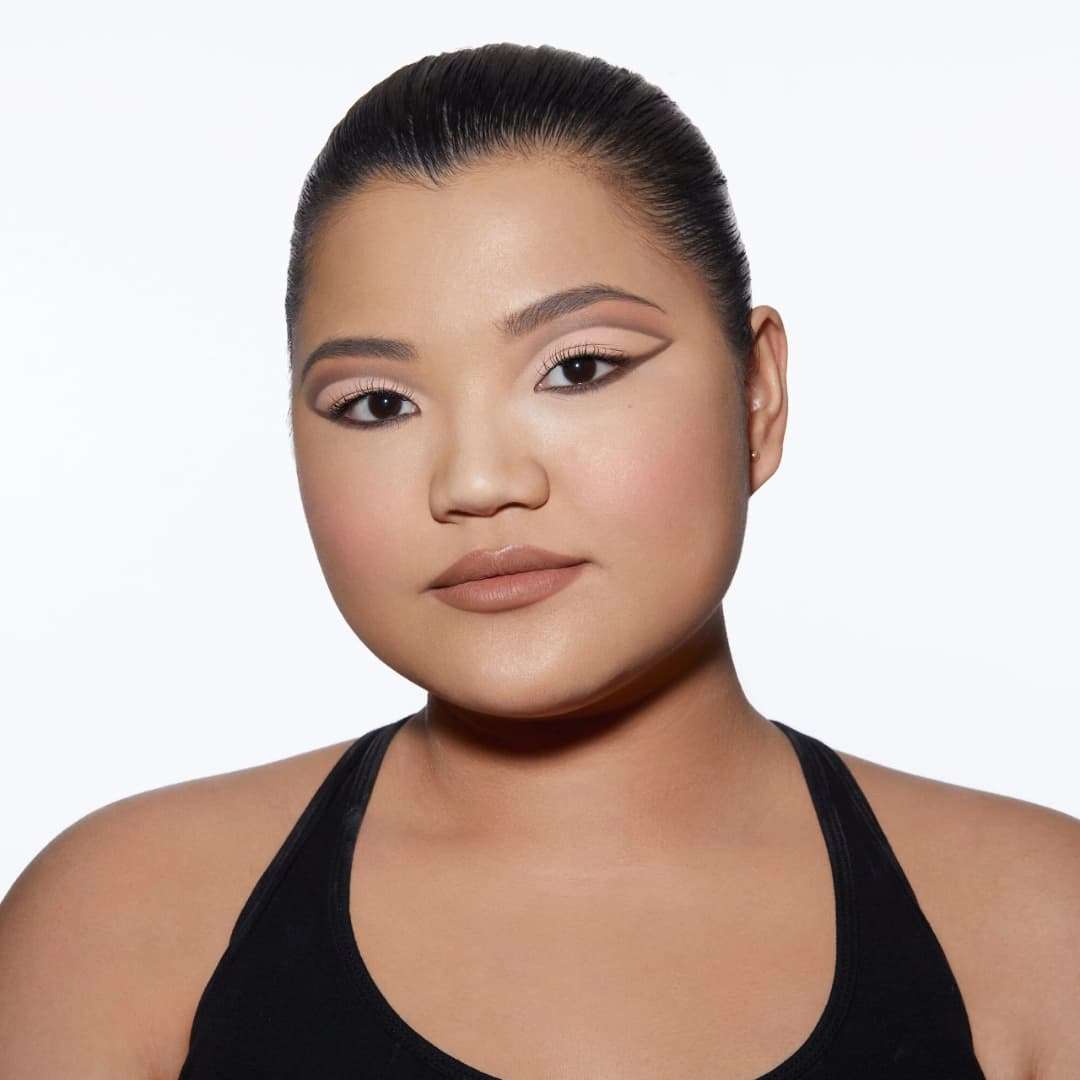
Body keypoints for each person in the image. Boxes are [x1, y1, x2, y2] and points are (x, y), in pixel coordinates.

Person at [1, 41, 1077, 1080]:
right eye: (377, 404)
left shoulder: (1037, 929)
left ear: (757, 396)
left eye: (580, 368)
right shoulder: (122, 927)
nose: (476, 481)